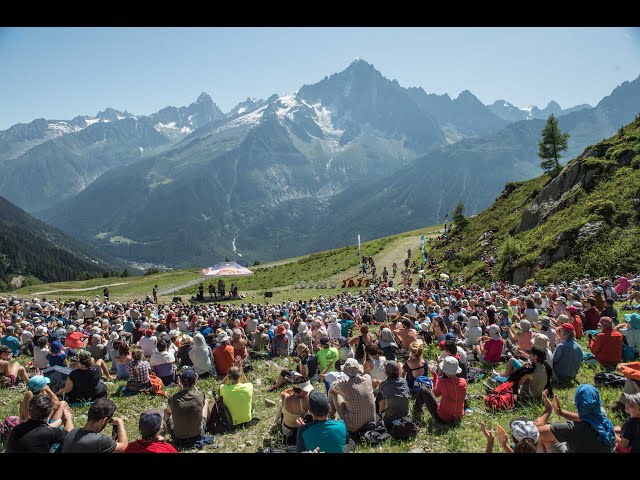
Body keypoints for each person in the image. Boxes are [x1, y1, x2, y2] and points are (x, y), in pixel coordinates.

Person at [537, 386, 615, 453]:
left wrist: (548, 409)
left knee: (545, 439)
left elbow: (537, 431)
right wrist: (561, 413)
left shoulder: (574, 429)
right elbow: (587, 417)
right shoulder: (603, 418)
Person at [6, 394, 74, 453]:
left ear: (29, 411)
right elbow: (71, 437)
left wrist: (62, 419)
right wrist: (68, 419)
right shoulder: (50, 433)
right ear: (49, 412)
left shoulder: (17, 429)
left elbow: (41, 429)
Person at [61, 397, 128, 453]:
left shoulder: (72, 433)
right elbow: (124, 447)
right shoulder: (100, 440)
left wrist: (68, 419)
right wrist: (120, 423)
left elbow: (69, 429)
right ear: (104, 420)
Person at [329, 358, 376, 434]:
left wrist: (339, 382)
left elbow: (332, 386)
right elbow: (366, 375)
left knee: (333, 393)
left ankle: (330, 417)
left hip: (353, 426)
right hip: (370, 421)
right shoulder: (367, 379)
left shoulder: (344, 386)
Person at [414, 356, 467, 424]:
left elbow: (436, 393)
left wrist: (435, 377)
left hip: (443, 418)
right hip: (458, 417)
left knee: (423, 389)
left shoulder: (443, 382)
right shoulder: (463, 381)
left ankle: (416, 410)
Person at [165, 370, 209, 445]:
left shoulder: (173, 398)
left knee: (165, 411)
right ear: (194, 383)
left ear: (180, 382)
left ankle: (166, 429)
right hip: (197, 435)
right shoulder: (200, 395)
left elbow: (169, 411)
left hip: (178, 438)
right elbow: (201, 401)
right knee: (206, 401)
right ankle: (209, 424)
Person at [277, 374, 313, 441]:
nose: (308, 392)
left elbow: (283, 392)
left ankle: (277, 421)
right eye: (306, 390)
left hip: (286, 431)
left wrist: (294, 388)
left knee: (281, 405)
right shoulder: (305, 401)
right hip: (298, 431)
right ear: (301, 391)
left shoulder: (285, 397)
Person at [220, 358, 254, 428]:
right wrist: (240, 367)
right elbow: (244, 382)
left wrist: (230, 374)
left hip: (231, 422)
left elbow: (221, 384)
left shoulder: (224, 389)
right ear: (240, 375)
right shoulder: (249, 387)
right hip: (247, 419)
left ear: (229, 377)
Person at [378, 360, 410, 428]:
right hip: (405, 416)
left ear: (386, 373)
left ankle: (380, 415)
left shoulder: (383, 385)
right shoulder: (404, 382)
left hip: (390, 420)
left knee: (380, 396)